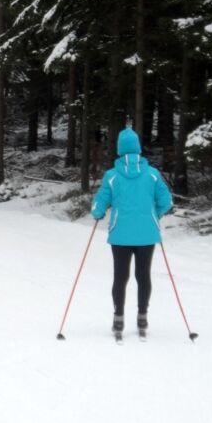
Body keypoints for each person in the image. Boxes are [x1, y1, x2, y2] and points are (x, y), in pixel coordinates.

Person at [91, 127, 173, 337]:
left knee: (121, 276)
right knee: (143, 275)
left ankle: (118, 319)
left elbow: (99, 204)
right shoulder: (153, 174)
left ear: (120, 150)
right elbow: (167, 201)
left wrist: (98, 212)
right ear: (138, 149)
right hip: (147, 234)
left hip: (120, 235)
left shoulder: (111, 176)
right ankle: (142, 317)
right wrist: (154, 214)